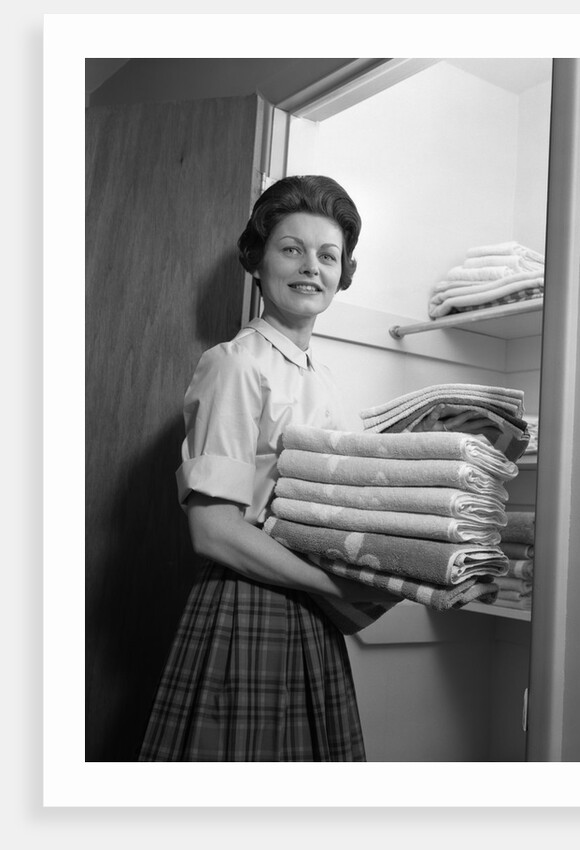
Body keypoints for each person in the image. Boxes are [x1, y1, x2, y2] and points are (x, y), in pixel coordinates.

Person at [137, 175, 396, 762]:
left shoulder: (322, 378)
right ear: (256, 261)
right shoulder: (233, 365)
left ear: (342, 274)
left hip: (314, 611)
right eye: (292, 249)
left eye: (328, 255)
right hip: (249, 601)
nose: (312, 267)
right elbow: (214, 530)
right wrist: (338, 589)